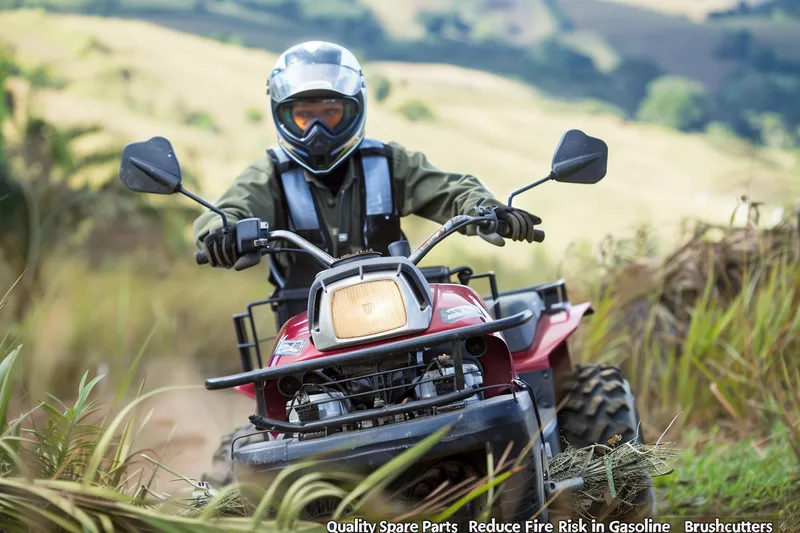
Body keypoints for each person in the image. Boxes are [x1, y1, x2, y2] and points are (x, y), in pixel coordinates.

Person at [192, 40, 541, 327]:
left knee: (476, 360)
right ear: (283, 115)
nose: (317, 130)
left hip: (402, 309)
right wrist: (220, 235)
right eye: (304, 116)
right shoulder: (269, 173)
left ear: (353, 108)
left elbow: (451, 189)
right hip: (307, 321)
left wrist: (488, 210)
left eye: (331, 113)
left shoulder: (388, 162)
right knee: (282, 401)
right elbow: (230, 209)